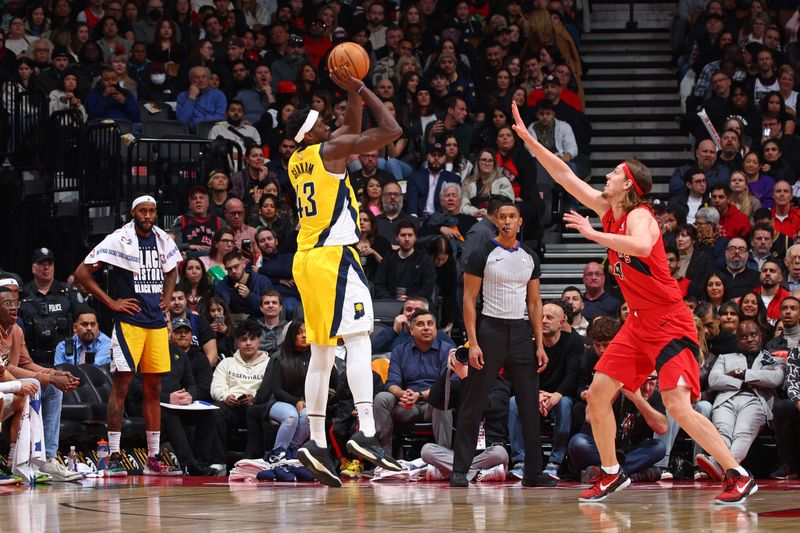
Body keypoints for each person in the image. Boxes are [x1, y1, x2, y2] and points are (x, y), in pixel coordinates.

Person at [511, 100, 757, 504]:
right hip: (639, 324)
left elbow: (642, 246)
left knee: (677, 406)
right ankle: (610, 473)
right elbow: (564, 174)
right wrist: (531, 142)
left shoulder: (641, 216)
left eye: (615, 173)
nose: (606, 176)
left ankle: (737, 473)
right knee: (600, 390)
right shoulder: (608, 209)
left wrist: (594, 238)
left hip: (669, 322)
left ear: (629, 184)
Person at [285, 67, 404, 486]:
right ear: (311, 130)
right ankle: (368, 433)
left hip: (307, 259)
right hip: (335, 259)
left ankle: (316, 441)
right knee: (359, 340)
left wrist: (351, 93)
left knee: (321, 352)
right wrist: (364, 89)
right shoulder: (330, 150)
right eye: (320, 119)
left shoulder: (299, 159)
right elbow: (391, 129)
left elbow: (349, 127)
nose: (327, 121)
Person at [74, 195, 182, 476]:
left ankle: (154, 458)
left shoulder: (163, 239)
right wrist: (111, 303)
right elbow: (82, 273)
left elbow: (172, 271)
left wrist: (168, 298)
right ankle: (112, 455)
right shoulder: (118, 239)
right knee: (120, 388)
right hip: (129, 323)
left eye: (152, 211)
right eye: (143, 211)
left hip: (156, 323)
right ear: (133, 213)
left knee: (154, 390)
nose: (148, 216)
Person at [451, 201, 553, 488]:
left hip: (520, 331)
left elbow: (534, 302)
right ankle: (460, 470)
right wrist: (473, 342)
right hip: (490, 329)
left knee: (529, 404)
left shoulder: (529, 256)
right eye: (502, 216)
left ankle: (534, 472)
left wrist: (539, 344)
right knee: (474, 401)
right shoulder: (483, 252)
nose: (507, 220)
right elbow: (469, 299)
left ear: (520, 221)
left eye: (512, 216)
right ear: (496, 221)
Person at [0, 278, 82, 483]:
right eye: (7, 304)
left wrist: (54, 374)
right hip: (4, 386)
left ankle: (47, 459)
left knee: (53, 390)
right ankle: (19, 462)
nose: (13, 308)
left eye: (15, 303)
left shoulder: (17, 330)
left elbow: (26, 363)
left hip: (11, 388)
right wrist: (47, 378)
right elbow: (5, 369)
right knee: (35, 386)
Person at [699, 320, 786, 480]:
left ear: (760, 336)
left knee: (742, 433)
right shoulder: (725, 358)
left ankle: (720, 465)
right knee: (723, 433)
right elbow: (715, 380)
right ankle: (726, 468)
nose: (750, 339)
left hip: (755, 400)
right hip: (726, 400)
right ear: (738, 341)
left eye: (753, 335)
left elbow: (775, 378)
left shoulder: (773, 359)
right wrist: (746, 383)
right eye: (744, 337)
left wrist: (742, 373)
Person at [18, 248, 81, 366]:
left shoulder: (68, 292)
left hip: (66, 360)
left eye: (49, 264)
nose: (46, 268)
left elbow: (86, 316)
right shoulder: (22, 295)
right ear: (33, 268)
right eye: (41, 264)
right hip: (32, 361)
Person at [373, 220, 437, 302]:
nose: (407, 239)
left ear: (415, 238)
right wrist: (391, 301)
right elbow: (379, 285)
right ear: (396, 237)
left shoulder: (425, 260)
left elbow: (428, 287)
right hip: (390, 304)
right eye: (403, 235)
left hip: (417, 304)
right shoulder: (387, 260)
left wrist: (411, 299)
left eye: (410, 235)